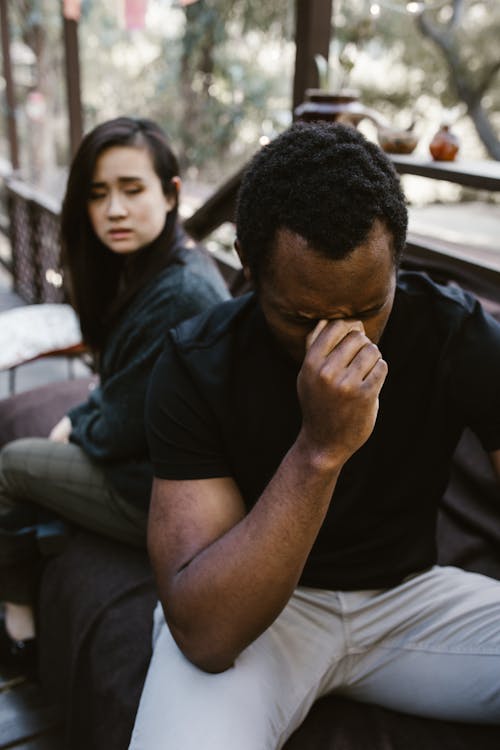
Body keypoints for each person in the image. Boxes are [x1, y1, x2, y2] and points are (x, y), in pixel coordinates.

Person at [129, 122, 500, 750]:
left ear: (398, 263)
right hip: (265, 618)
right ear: (248, 267)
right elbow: (206, 631)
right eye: (301, 317)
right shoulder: (196, 363)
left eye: (367, 308)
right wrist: (320, 448)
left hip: (409, 600)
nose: (339, 341)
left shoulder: (454, 332)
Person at [0, 116, 229, 676]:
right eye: (98, 194)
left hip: (170, 494)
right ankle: (45, 539)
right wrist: (90, 413)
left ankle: (17, 614)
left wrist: (76, 424)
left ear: (171, 194)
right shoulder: (152, 267)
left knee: (11, 464)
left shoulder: (180, 292)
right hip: (157, 463)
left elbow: (118, 427)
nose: (114, 210)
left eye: (132, 190)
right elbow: (122, 391)